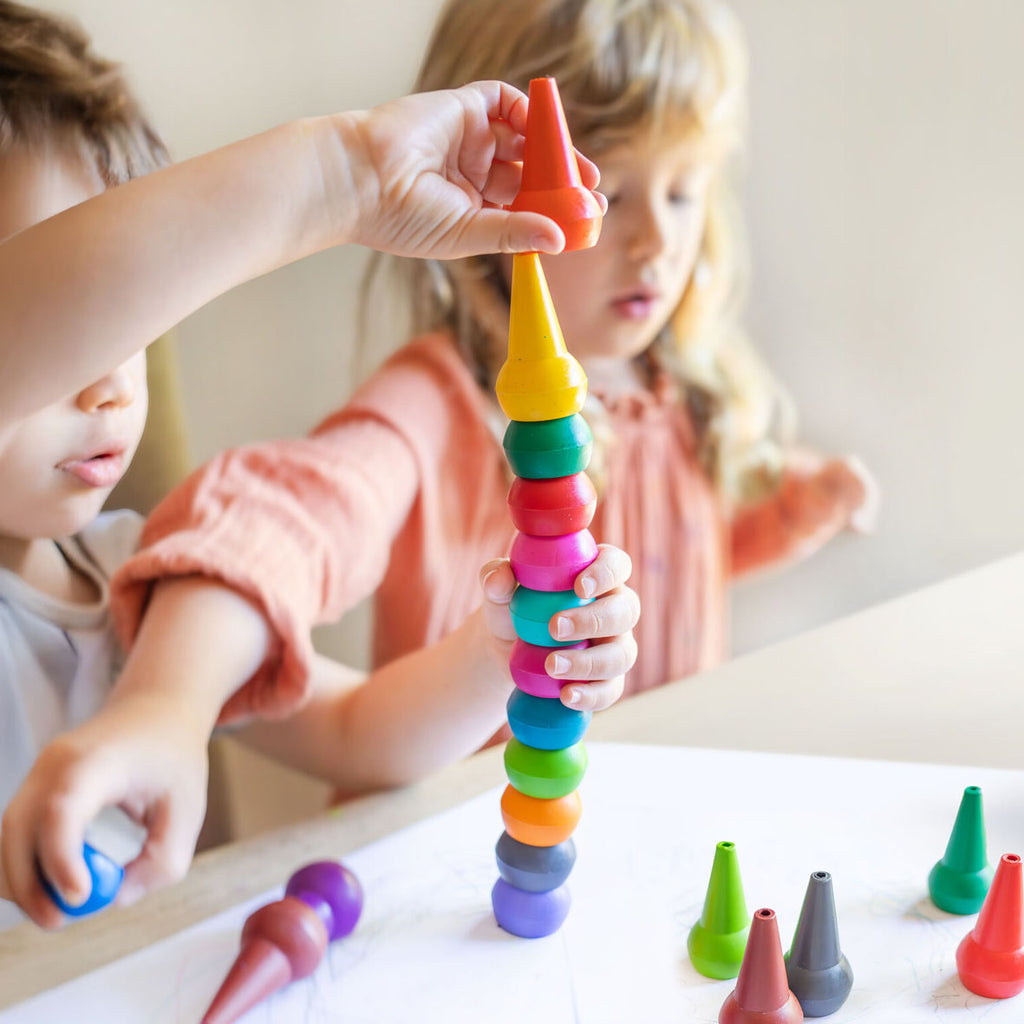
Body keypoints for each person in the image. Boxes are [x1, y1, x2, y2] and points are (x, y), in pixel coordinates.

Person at [0, 1, 639, 929]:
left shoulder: (139, 576)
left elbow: (362, 734)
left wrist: (504, 650)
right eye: (75, 324)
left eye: (132, 326)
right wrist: (344, 173)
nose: (106, 384)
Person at [106, 0, 875, 715]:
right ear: (487, 200)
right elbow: (296, 515)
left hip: (643, 826)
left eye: (681, 193)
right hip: (469, 836)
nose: (657, 243)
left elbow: (670, 561)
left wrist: (782, 512)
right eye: (606, 193)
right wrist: (172, 689)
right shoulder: (440, 407)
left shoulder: (677, 396)